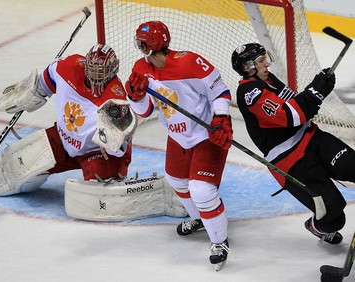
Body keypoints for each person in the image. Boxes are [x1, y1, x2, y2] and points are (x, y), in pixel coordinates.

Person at [124, 20, 233, 270]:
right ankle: (200, 219)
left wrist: (221, 118)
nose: (139, 47)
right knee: (176, 181)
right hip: (177, 136)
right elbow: (145, 110)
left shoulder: (189, 62)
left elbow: (220, 92)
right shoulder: (142, 68)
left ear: (155, 44)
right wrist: (135, 96)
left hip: (206, 134)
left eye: (143, 42)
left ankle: (220, 241)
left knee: (202, 190)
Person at [231, 42, 355, 244]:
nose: (266, 64)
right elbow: (290, 115)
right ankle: (317, 227)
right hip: (289, 162)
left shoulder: (269, 79)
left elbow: (298, 106)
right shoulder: (249, 93)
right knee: (333, 217)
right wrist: (315, 92)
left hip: (312, 138)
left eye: (265, 58)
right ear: (247, 67)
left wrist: (317, 89)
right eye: (261, 61)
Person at [0, 44, 136, 197]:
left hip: (97, 152)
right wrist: (30, 93)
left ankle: (112, 176)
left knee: (99, 196)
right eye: (92, 71)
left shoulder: (115, 99)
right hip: (64, 140)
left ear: (112, 71)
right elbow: (42, 85)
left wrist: (112, 142)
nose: (95, 78)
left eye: (101, 73)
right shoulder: (66, 68)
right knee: (13, 168)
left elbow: (118, 149)